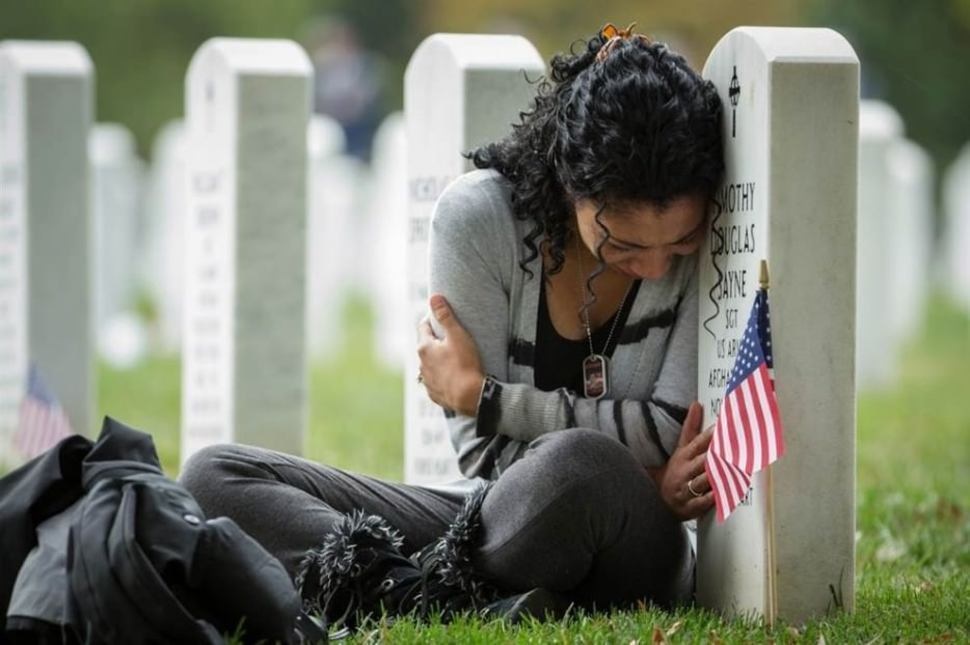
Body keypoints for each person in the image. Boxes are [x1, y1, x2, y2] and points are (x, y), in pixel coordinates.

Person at [180, 23, 724, 633]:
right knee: (214, 477)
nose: (655, 267)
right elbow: (482, 452)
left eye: (678, 242)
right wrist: (649, 471)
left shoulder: (704, 241)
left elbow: (671, 427)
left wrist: (486, 397)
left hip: (628, 537)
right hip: (498, 515)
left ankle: (392, 588)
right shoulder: (478, 221)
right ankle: (442, 598)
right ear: (570, 185)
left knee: (586, 467)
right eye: (619, 243)